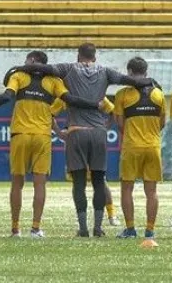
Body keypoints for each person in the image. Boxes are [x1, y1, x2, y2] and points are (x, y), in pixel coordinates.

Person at [16, 42, 152, 237]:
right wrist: (150, 82)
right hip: (98, 133)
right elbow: (131, 80)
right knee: (98, 181)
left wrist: (22, 68)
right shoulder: (106, 71)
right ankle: (98, 227)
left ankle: (83, 228)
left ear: (77, 55)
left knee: (78, 182)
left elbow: (43, 68)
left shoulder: (69, 68)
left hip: (76, 132)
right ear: (95, 57)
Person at [0, 50, 101, 238]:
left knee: (17, 184)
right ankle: (35, 228)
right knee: (39, 184)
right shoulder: (54, 81)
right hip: (42, 137)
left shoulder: (19, 76)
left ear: (32, 61)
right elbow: (71, 100)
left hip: (20, 135)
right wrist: (94, 104)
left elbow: (5, 97)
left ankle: (15, 229)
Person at [112, 57, 166, 240]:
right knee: (151, 191)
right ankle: (150, 230)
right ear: (146, 71)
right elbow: (162, 122)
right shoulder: (159, 94)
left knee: (127, 189)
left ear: (129, 72)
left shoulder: (122, 95)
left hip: (132, 147)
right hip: (153, 146)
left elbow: (120, 124)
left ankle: (130, 229)